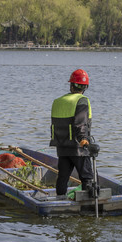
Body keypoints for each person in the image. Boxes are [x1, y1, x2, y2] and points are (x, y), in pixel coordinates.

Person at [50, 69, 94, 199]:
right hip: (78, 147)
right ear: (85, 87)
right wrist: (83, 140)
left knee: (62, 177)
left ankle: (60, 201)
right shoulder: (81, 101)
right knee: (87, 178)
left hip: (62, 147)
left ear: (71, 85)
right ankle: (88, 205)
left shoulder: (58, 101)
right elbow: (80, 123)